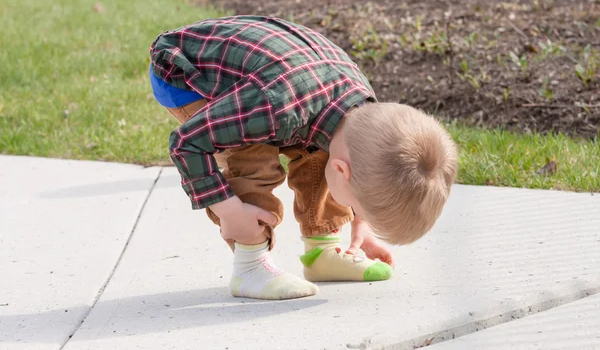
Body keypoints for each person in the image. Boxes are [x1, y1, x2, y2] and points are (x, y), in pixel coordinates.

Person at [149, 15, 458, 300]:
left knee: (321, 150)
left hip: (277, 73)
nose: (355, 210)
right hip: (186, 71)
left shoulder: (363, 113)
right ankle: (249, 266)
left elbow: (355, 167)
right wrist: (230, 211)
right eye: (356, 206)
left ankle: (321, 253)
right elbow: (186, 143)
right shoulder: (272, 109)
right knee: (254, 158)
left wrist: (361, 221)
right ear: (343, 169)